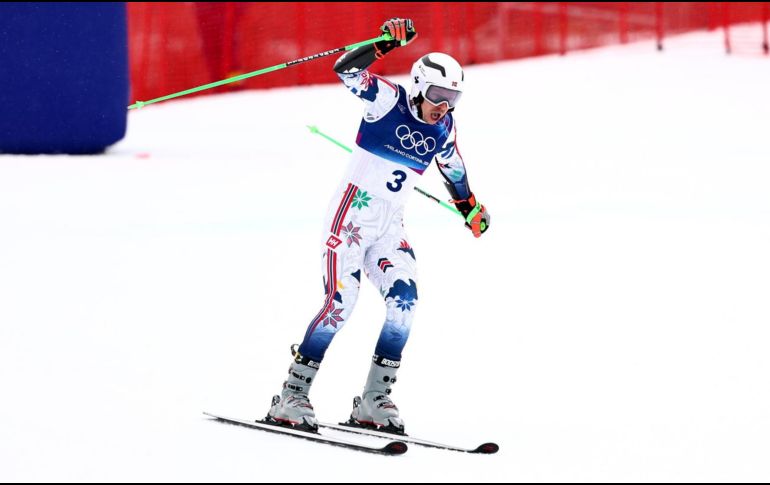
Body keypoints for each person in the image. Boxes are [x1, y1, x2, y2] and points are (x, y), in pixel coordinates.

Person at [265, 18, 490, 434]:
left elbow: (454, 170)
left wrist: (470, 206)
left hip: (389, 229)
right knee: (339, 305)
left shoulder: (444, 127)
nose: (444, 104)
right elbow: (346, 71)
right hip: (349, 221)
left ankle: (373, 399)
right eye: (439, 94)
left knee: (404, 305)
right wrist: (384, 44)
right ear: (421, 85)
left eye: (453, 97)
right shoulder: (388, 100)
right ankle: (292, 395)